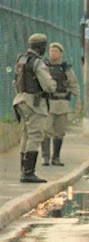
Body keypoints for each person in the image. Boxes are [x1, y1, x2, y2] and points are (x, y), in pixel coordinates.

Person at [12, 33, 57, 183]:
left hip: (20, 99)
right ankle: (28, 172)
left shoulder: (21, 59)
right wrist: (53, 84)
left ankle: (23, 170)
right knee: (35, 135)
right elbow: (49, 86)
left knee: (26, 135)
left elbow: (16, 81)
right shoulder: (37, 62)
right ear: (40, 46)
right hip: (34, 103)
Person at [40, 42, 81, 166]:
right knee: (46, 130)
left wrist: (78, 100)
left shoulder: (66, 69)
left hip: (62, 103)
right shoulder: (44, 67)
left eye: (56, 51)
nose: (53, 53)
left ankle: (56, 157)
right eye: (51, 51)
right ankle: (45, 157)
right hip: (48, 103)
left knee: (59, 131)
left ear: (61, 54)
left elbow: (74, 84)